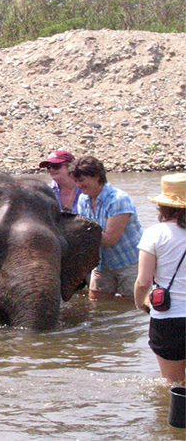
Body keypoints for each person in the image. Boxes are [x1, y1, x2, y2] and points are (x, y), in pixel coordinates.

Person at [134, 173, 186, 384]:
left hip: (169, 319)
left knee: (172, 385)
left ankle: (170, 416)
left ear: (163, 206)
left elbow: (143, 282)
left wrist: (141, 303)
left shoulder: (155, 234)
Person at [69, 156, 143, 300]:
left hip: (129, 262)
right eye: (76, 181)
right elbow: (85, 230)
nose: (78, 185)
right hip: (102, 263)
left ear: (97, 176)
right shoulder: (83, 199)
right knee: (96, 304)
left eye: (82, 180)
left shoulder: (118, 199)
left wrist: (73, 233)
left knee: (129, 308)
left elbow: (110, 239)